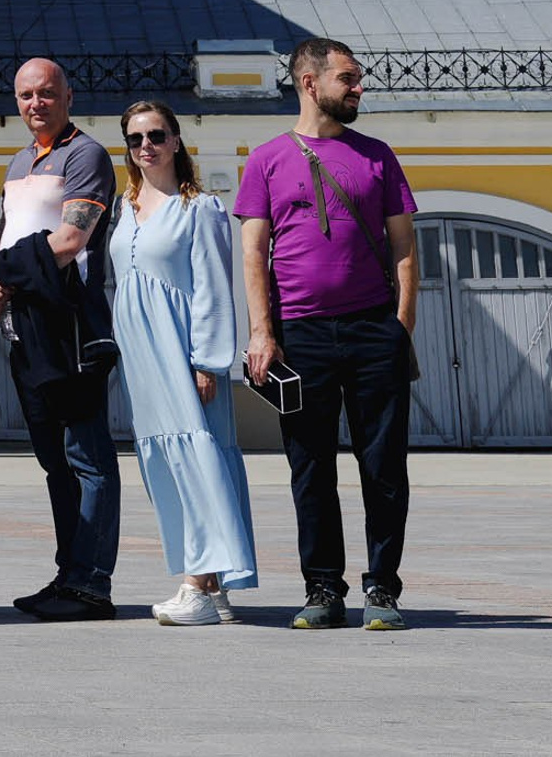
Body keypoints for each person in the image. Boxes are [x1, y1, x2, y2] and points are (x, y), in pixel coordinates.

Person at [237, 38, 419, 633]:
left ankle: (383, 590)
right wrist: (263, 333)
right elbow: (254, 253)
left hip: (373, 333)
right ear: (310, 83)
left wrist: (400, 330)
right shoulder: (266, 159)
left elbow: (405, 251)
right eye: (349, 78)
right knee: (310, 467)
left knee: (384, 466)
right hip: (301, 337)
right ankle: (322, 588)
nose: (359, 87)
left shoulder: (378, 157)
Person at [0, 57, 121, 622]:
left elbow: (69, 238)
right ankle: (68, 574)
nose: (34, 103)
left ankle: (92, 584)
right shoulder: (20, 160)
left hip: (70, 328)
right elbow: (14, 234)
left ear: (67, 95)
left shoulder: (84, 154)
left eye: (45, 93)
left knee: (88, 460)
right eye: (24, 95)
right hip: (26, 331)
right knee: (54, 463)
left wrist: (2, 272)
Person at [112, 101, 256, 626]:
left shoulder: (201, 208)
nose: (145, 146)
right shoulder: (124, 206)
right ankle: (212, 585)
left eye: (155, 135)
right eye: (134, 139)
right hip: (142, 354)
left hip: (183, 351)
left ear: (175, 141)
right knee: (167, 465)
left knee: (200, 459)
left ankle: (197, 584)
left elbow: (215, 290)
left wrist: (207, 362)